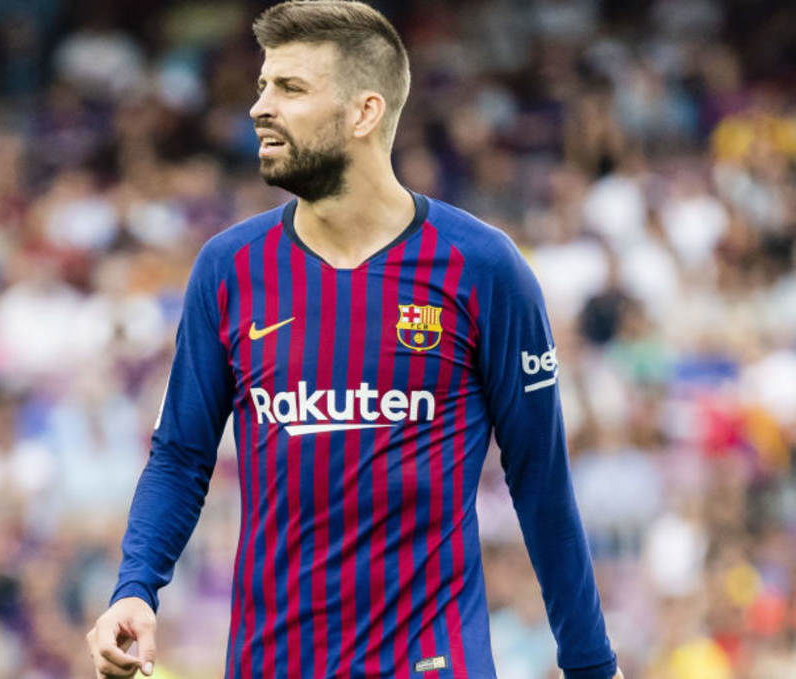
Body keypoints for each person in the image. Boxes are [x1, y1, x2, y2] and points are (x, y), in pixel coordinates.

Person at [87, 2, 624, 678]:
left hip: (433, 662)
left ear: (365, 112)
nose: (260, 107)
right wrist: (135, 587)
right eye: (262, 85)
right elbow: (180, 456)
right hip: (272, 663)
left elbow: (541, 480)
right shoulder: (229, 268)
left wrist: (590, 665)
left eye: (290, 88)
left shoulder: (483, 267)